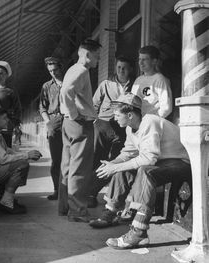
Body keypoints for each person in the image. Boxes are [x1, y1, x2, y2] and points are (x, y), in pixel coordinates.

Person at [89, 93, 191, 250]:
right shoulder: (131, 128)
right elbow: (128, 153)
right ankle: (110, 213)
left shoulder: (149, 122)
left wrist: (115, 166)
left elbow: (149, 160)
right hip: (163, 161)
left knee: (145, 171)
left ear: (129, 115)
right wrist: (113, 163)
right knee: (123, 168)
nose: (114, 119)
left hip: (182, 162)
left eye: (117, 115)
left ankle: (139, 232)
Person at [59, 39, 102, 222]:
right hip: (80, 124)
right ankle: (77, 211)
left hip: (68, 123)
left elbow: (65, 90)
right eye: (97, 56)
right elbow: (66, 91)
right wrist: (75, 114)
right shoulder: (82, 70)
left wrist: (70, 114)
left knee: (67, 167)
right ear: (87, 54)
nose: (98, 60)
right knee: (80, 169)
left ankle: (65, 207)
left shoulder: (72, 69)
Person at [88, 56, 134, 208]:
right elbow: (94, 103)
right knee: (96, 158)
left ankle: (109, 194)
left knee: (115, 160)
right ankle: (90, 194)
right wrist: (96, 120)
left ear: (130, 69)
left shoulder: (134, 85)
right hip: (103, 125)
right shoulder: (106, 84)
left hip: (121, 129)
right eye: (119, 67)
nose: (121, 70)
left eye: (124, 68)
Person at [0, 108, 42, 214]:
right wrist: (26, 156)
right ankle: (6, 202)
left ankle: (4, 197)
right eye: (4, 118)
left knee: (19, 161)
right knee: (21, 165)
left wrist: (27, 155)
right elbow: (3, 158)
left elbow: (8, 151)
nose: (7, 120)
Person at [39, 56, 64, 201]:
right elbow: (42, 107)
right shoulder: (47, 86)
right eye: (50, 71)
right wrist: (48, 122)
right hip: (53, 121)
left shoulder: (69, 82)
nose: (53, 73)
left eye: (55, 70)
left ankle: (70, 190)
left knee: (71, 158)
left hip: (68, 119)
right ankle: (57, 189)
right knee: (56, 159)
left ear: (61, 67)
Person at [132, 45, 172, 118]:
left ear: (154, 61)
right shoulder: (138, 80)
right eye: (139, 59)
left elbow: (166, 108)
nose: (140, 63)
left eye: (144, 59)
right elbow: (131, 102)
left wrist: (152, 121)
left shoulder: (160, 79)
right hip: (137, 123)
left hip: (151, 124)